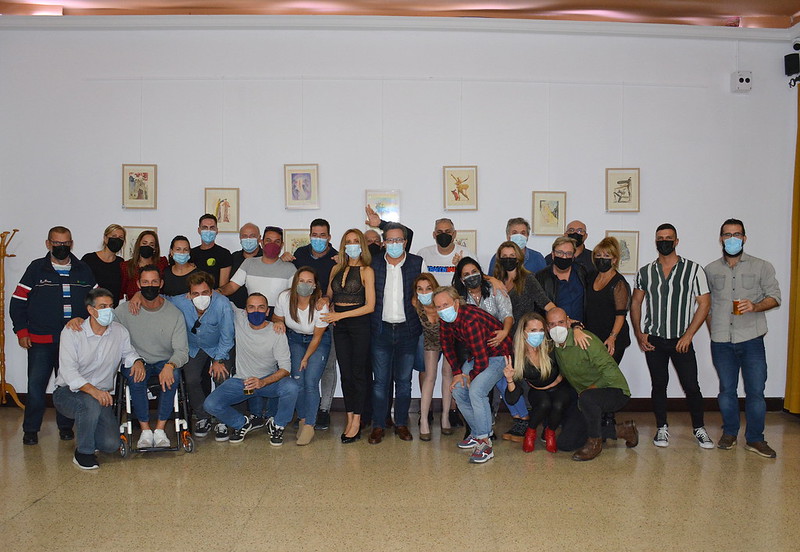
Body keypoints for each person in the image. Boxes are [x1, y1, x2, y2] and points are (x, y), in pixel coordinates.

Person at [630, 223, 714, 449]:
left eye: (668, 238)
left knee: (691, 386)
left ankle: (699, 428)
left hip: (681, 340)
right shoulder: (646, 272)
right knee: (659, 385)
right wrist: (639, 333)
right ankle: (661, 428)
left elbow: (704, 304)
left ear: (676, 241)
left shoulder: (693, 270)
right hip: (654, 340)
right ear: (655, 242)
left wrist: (689, 335)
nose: (664, 241)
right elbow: (636, 302)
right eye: (660, 238)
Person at [10, 226, 96, 445]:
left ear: (71, 244)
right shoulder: (36, 269)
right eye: (57, 243)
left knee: (67, 386)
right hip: (41, 341)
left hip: (73, 341)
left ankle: (65, 427)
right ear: (48, 244)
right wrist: (21, 331)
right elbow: (17, 302)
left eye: (65, 243)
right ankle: (31, 430)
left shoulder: (83, 269)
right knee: (36, 387)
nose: (61, 247)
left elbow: (96, 301)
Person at [705, 218, 781, 458]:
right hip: (721, 341)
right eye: (727, 235)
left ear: (744, 238)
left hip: (751, 339)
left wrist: (755, 306)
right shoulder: (710, 270)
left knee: (756, 391)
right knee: (727, 390)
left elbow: (775, 297)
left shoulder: (762, 266)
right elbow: (706, 306)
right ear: (721, 239)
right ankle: (729, 433)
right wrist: (713, 331)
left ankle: (755, 439)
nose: (732, 239)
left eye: (737, 235)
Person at [52, 288, 144, 469]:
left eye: (111, 306)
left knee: (110, 444)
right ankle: (83, 453)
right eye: (102, 306)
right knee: (90, 404)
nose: (108, 310)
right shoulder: (72, 332)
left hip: (100, 396)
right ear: (90, 310)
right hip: (68, 393)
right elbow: (69, 372)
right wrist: (93, 391)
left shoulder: (119, 332)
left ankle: (89, 431)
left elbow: (129, 353)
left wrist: (137, 361)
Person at [203, 293, 299, 446]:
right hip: (243, 382)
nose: (256, 311)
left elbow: (285, 369)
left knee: (291, 387)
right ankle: (241, 423)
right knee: (210, 404)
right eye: (251, 307)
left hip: (267, 382)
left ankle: (277, 425)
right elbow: (221, 298)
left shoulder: (277, 332)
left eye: (261, 308)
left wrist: (263, 382)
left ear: (267, 311)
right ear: (245, 310)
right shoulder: (239, 317)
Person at [545, 308, 639, 461]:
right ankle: (623, 430)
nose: (557, 328)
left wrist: (589, 390)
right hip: (584, 397)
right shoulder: (554, 346)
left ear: (568, 322)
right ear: (547, 327)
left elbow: (609, 372)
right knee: (565, 443)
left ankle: (594, 443)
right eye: (552, 324)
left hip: (614, 390)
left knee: (588, 398)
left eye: (561, 322)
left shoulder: (585, 340)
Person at [114, 265, 189, 449]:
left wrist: (171, 365)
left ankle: (160, 430)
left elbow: (182, 350)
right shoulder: (123, 311)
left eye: (154, 282)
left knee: (173, 376)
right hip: (136, 359)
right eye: (145, 282)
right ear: (138, 284)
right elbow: (110, 336)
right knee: (136, 377)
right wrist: (134, 360)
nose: (150, 286)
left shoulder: (174, 314)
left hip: (164, 360)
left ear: (161, 284)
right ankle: (145, 430)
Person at [435, 286, 512, 464]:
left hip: (499, 355)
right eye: (438, 307)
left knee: (476, 391)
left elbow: (482, 360)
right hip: (479, 355)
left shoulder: (470, 319)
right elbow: (446, 346)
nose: (442, 310)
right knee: (457, 389)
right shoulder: (445, 320)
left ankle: (485, 443)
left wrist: (470, 376)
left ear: (456, 303)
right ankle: (478, 434)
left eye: (445, 305)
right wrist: (457, 373)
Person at [453, 255, 524, 441]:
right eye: (466, 274)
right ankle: (476, 429)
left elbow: (507, 315)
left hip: (498, 345)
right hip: (473, 350)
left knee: (490, 386)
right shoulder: (459, 298)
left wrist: (505, 332)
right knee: (463, 388)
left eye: (474, 272)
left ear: (481, 273)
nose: (471, 276)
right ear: (461, 279)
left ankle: (514, 421)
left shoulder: (495, 288)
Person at [366, 222, 426, 445]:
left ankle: (401, 423)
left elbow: (428, 293)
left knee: (403, 382)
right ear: (383, 243)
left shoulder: (417, 263)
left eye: (398, 240)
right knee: (380, 382)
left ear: (405, 242)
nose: (394, 244)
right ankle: (378, 425)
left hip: (407, 331)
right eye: (390, 240)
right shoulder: (373, 263)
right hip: (380, 330)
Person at [320, 229, 375, 443]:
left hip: (359, 325)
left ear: (362, 245)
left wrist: (340, 315)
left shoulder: (367, 270)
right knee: (346, 374)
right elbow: (330, 294)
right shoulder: (336, 268)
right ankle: (349, 416)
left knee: (359, 373)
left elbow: (370, 306)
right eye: (348, 241)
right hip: (340, 326)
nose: (352, 245)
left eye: (355, 241)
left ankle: (357, 421)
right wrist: (326, 301)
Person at [284, 218, 339, 431]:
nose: (318, 238)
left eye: (322, 235)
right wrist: (284, 258)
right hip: (301, 320)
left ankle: (323, 410)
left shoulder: (336, 258)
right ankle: (304, 412)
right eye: (314, 235)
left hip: (326, 317)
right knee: (300, 371)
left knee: (327, 367)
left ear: (329, 237)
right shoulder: (300, 254)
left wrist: (328, 300)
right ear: (310, 235)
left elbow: (338, 286)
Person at [169, 271, 234, 440]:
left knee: (221, 376)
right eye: (196, 294)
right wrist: (138, 296)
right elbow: (160, 300)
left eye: (205, 293)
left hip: (219, 346)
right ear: (189, 294)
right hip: (193, 347)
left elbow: (227, 336)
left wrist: (219, 359)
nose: (200, 297)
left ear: (211, 292)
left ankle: (222, 419)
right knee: (191, 380)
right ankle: (202, 416)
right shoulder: (179, 302)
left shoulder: (223, 304)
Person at [273, 268, 331, 445]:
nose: (304, 284)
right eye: (301, 280)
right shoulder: (284, 297)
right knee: (297, 381)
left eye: (309, 281)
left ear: (315, 286)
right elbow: (276, 317)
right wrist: (278, 323)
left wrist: (305, 358)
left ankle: (310, 425)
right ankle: (303, 419)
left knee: (311, 382)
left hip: (317, 341)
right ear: (295, 282)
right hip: (295, 339)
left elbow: (317, 337)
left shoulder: (321, 305)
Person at [503, 312, 575, 453]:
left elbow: (570, 329)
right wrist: (509, 379)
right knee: (544, 404)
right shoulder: (517, 357)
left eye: (541, 330)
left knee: (558, 404)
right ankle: (530, 432)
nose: (538, 334)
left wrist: (577, 328)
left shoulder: (551, 346)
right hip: (538, 390)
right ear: (524, 333)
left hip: (560, 387)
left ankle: (550, 432)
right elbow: (512, 398)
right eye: (533, 330)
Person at [584, 237, 633, 434]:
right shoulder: (591, 277)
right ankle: (600, 420)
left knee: (607, 379)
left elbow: (621, 314)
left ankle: (608, 422)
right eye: (598, 255)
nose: (601, 259)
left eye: (606, 255)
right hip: (593, 338)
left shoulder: (619, 283)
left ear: (614, 259)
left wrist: (612, 337)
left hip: (613, 339)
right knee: (594, 378)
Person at [412, 273, 453, 440]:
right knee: (429, 376)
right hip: (429, 342)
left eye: (428, 288)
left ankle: (445, 417)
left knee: (448, 374)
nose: (424, 292)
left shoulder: (443, 301)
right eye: (420, 289)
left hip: (448, 339)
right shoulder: (415, 304)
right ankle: (424, 420)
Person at [219, 226, 296, 308]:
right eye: (268, 240)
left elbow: (295, 296)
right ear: (262, 242)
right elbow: (232, 287)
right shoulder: (249, 263)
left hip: (278, 313)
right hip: (253, 311)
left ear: (282, 245)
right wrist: (216, 292)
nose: (272, 244)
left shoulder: (290, 268)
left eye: (276, 241)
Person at [493, 242, 555, 326]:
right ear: (500, 259)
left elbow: (545, 303)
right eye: (504, 256)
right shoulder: (498, 281)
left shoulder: (527, 279)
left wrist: (562, 318)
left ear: (518, 258)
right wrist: (491, 279)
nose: (508, 259)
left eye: (512, 256)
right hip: (502, 329)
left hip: (522, 330)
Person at [536, 236, 589, 322]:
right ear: (553, 254)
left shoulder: (582, 272)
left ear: (573, 256)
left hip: (581, 327)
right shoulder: (541, 277)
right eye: (560, 253)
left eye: (568, 253)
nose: (564, 257)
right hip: (554, 327)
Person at [416, 218, 469, 287]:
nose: (444, 235)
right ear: (434, 235)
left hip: (457, 293)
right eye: (439, 232)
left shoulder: (466, 254)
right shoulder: (423, 254)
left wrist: (461, 266)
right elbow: (416, 281)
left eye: (448, 231)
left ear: (454, 234)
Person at [81, 224, 125, 307]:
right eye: (114, 236)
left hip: (111, 310)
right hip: (92, 309)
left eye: (121, 237)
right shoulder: (89, 259)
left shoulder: (121, 263)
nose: (117, 240)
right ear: (105, 238)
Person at [120, 230, 168, 301]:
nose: (147, 246)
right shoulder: (126, 266)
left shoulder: (162, 263)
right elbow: (122, 290)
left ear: (155, 248)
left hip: (156, 304)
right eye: (144, 243)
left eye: (151, 245)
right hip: (134, 306)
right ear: (138, 245)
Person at [190, 214, 233, 288]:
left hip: (216, 293)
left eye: (212, 228)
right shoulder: (191, 253)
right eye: (205, 227)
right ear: (199, 230)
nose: (208, 231)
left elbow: (223, 287)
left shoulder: (224, 254)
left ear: (216, 231)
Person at [228, 222, 262, 309]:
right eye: (244, 236)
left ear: (259, 238)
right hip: (235, 309)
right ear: (240, 238)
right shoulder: (233, 258)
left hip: (259, 309)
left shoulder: (266, 258)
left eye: (252, 236)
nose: (248, 239)